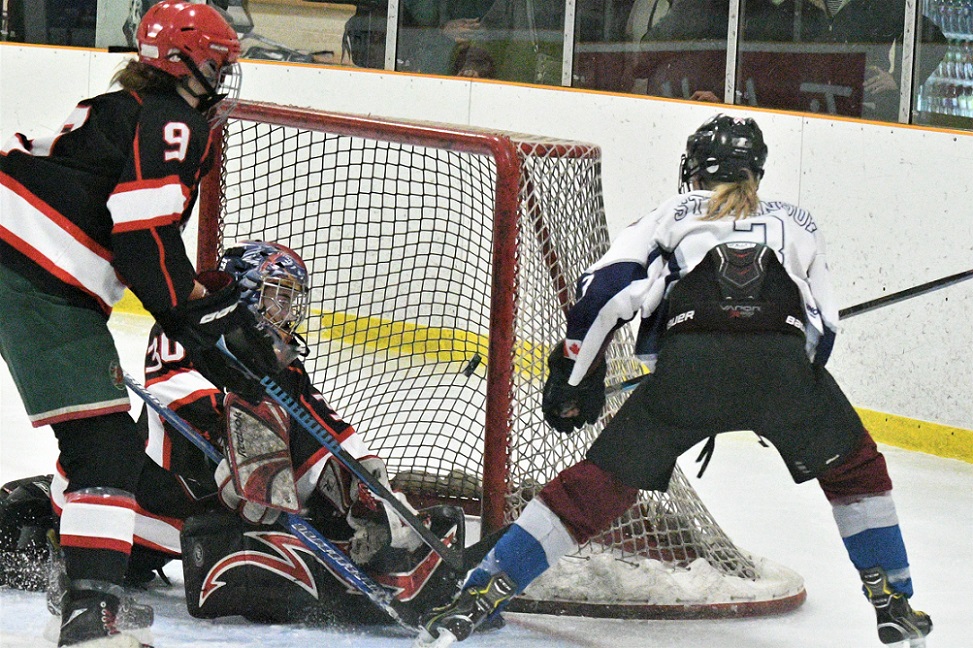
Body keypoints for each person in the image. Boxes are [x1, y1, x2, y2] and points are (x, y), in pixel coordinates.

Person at [414, 114, 932, 647]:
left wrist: (574, 374)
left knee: (595, 489)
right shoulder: (798, 221)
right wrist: (776, 377)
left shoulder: (671, 215)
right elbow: (824, 331)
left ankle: (480, 593)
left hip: (687, 376)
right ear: (756, 172)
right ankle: (893, 601)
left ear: (695, 170)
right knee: (856, 472)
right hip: (784, 373)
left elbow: (603, 295)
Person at [0, 241, 467, 629]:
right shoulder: (184, 329)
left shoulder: (283, 367)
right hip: (137, 503)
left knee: (311, 469)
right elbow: (176, 392)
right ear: (244, 294)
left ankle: (380, 540)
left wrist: (370, 480)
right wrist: (233, 442)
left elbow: (323, 429)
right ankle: (57, 549)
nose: (286, 312)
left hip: (197, 520)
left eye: (291, 301)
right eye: (276, 297)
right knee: (21, 528)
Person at [0, 3, 276, 646]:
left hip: (25, 263)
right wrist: (195, 316)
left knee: (101, 445)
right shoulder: (173, 121)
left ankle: (81, 598)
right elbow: (143, 238)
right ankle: (87, 618)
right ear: (182, 62)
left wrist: (195, 303)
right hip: (29, 271)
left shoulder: (133, 108)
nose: (224, 75)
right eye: (217, 63)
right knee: (104, 447)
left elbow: (142, 240)